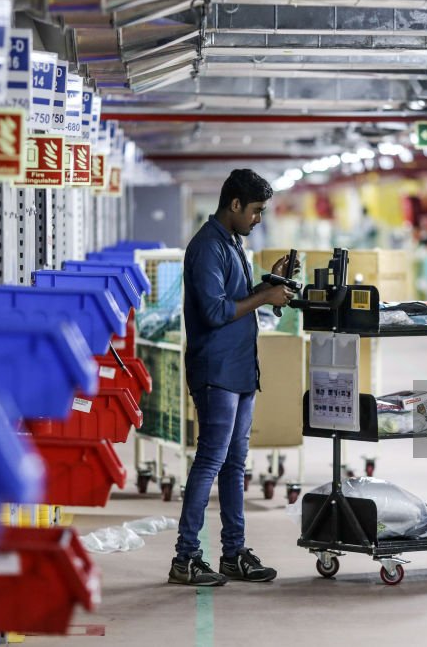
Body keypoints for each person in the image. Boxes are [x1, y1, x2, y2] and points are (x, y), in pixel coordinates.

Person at [169, 169, 299, 587]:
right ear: (235, 204)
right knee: (210, 461)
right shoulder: (207, 247)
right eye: (256, 211)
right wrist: (264, 296)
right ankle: (185, 558)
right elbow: (214, 311)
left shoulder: (233, 244)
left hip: (241, 370)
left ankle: (233, 553)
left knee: (234, 465)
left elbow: (235, 300)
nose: (259, 218)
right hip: (216, 372)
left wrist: (269, 282)